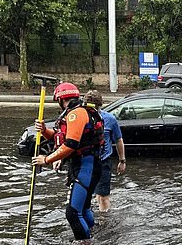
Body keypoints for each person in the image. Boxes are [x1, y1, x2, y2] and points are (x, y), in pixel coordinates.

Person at [31, 82, 103, 242]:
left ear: (60, 99)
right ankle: (94, 236)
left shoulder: (75, 114)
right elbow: (61, 138)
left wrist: (47, 159)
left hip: (86, 167)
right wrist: (44, 131)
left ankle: (85, 241)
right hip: (89, 166)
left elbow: (71, 144)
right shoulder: (78, 112)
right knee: (83, 209)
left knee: (72, 213)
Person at [83, 90, 126, 212]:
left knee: (103, 196)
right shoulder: (80, 118)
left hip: (103, 162)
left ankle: (105, 221)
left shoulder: (110, 119)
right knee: (88, 194)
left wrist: (122, 160)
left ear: (99, 106)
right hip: (85, 162)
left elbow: (118, 140)